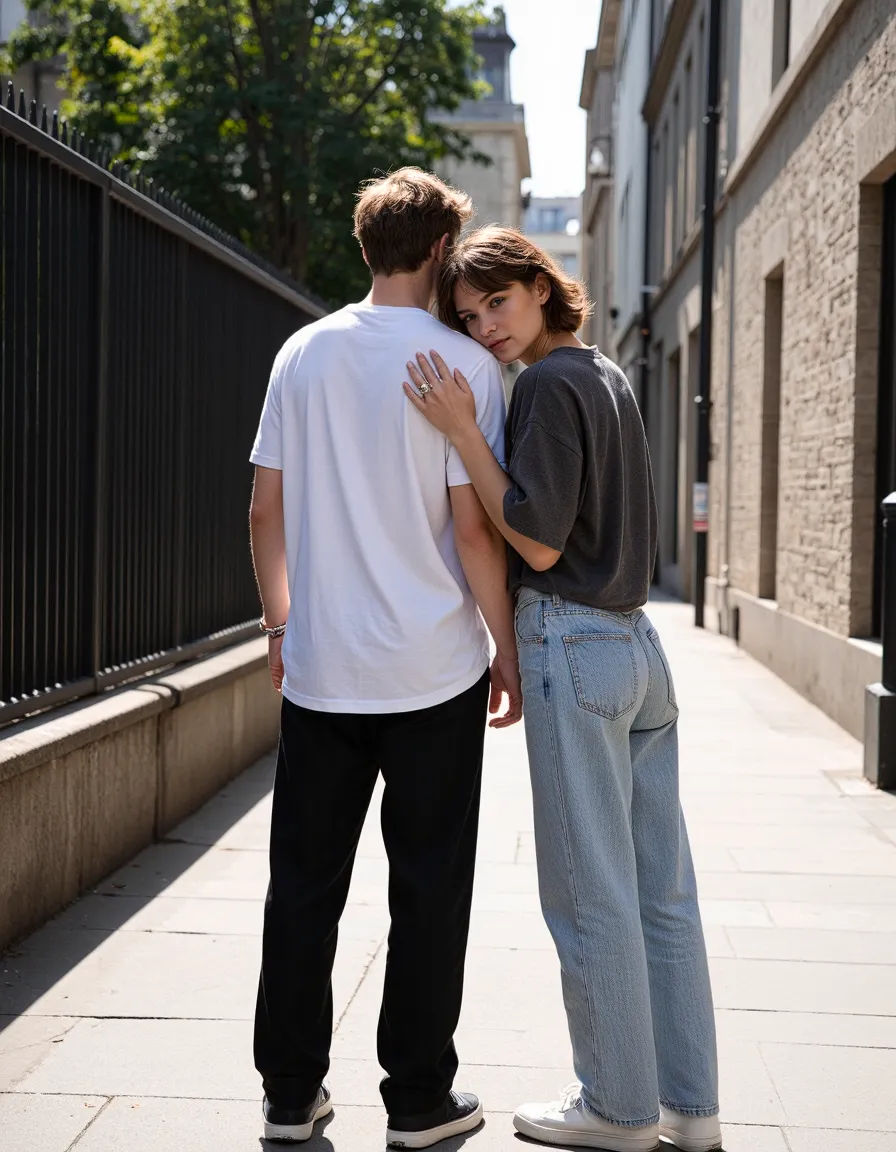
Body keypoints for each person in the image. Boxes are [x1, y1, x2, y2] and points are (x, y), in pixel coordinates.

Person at [402, 225, 721, 1152]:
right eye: (469, 316)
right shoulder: (609, 375)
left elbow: (537, 540)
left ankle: (616, 1107)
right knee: (663, 891)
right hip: (639, 648)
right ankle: (689, 1108)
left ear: (541, 287)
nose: (487, 327)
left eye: (498, 302)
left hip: (573, 640)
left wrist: (464, 430)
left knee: (592, 895)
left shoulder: (544, 385)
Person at [248, 172, 522, 1149]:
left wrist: (280, 629)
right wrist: (505, 650)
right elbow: (476, 535)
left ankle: (288, 1099)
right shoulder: (462, 369)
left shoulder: (301, 354)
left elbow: (263, 512)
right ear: (441, 248)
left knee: (302, 891)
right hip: (432, 674)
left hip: (322, 673)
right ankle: (416, 1102)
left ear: (366, 244)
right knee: (428, 892)